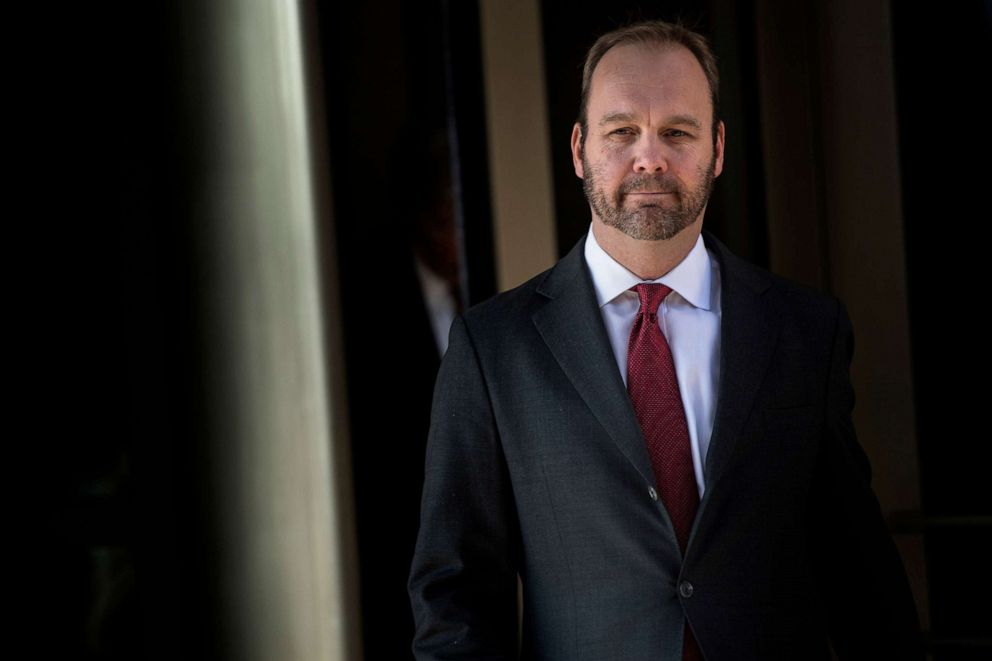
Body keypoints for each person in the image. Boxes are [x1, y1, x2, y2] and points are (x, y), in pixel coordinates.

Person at [408, 19, 922, 661]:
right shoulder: (493, 349)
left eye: (677, 132)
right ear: (578, 149)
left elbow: (859, 574)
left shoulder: (804, 331)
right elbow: (454, 596)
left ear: (719, 148)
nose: (649, 157)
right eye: (621, 131)